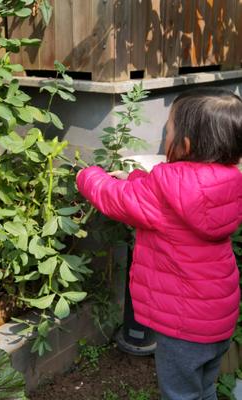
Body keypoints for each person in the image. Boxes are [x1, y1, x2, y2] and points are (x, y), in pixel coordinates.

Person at [76, 87, 242, 400]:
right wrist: (136, 179)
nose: (165, 134)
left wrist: (89, 175)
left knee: (179, 394)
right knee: (204, 389)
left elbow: (116, 199)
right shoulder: (230, 181)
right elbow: (165, 193)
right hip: (217, 319)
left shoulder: (163, 189)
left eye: (168, 129)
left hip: (183, 327)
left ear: (187, 143)